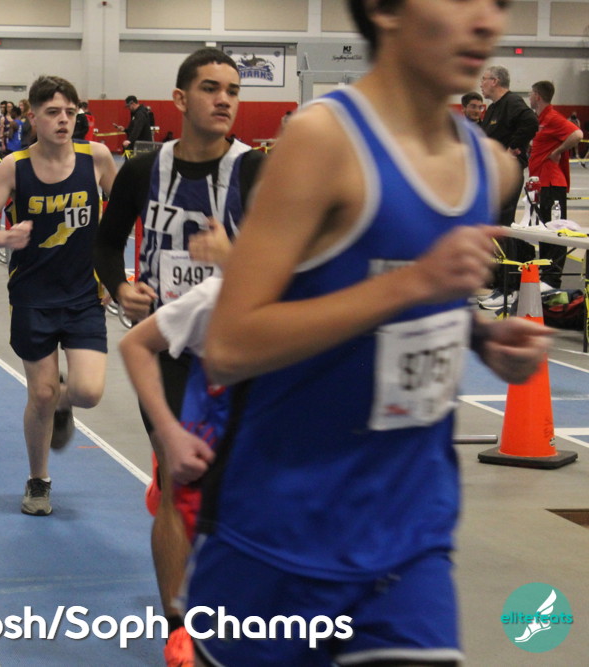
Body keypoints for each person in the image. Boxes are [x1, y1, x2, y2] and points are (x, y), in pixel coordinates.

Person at [187, 2, 554, 665]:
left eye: (498, 3)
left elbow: (406, 297)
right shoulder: (322, 142)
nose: (486, 21)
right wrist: (414, 284)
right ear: (384, 9)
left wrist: (476, 333)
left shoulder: (490, 166)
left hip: (410, 538)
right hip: (277, 538)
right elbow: (231, 345)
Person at [93, 47, 263, 667]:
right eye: (211, 88)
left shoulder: (255, 171)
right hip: (166, 347)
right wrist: (120, 288)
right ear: (180, 99)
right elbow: (106, 244)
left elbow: (289, 266)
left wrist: (234, 259)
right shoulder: (144, 170)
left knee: (235, 486)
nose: (224, 100)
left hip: (240, 351)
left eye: (233, 91)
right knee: (174, 479)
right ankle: (180, 624)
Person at [0, 75, 117, 517]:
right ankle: (38, 480)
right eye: (53, 112)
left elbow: (124, 215)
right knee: (42, 394)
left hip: (84, 294)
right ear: (33, 116)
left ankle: (65, 402)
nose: (64, 120)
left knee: (87, 392)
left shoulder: (97, 157)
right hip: (32, 296)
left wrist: (116, 276)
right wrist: (3, 237)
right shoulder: (14, 167)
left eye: (70, 111)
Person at [477, 63, 539, 307]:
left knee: (503, 227)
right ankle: (498, 284)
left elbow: (531, 122)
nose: (480, 84)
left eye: (484, 79)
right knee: (493, 227)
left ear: (495, 81)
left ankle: (509, 288)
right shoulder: (493, 108)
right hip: (492, 176)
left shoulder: (512, 103)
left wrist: (513, 148)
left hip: (507, 176)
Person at [528, 80, 583, 289]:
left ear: (537, 96)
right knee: (544, 230)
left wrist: (557, 151)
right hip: (542, 184)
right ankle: (546, 276)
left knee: (554, 230)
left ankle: (553, 279)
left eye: (531, 94)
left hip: (552, 183)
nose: (529, 97)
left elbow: (577, 134)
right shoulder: (541, 120)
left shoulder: (552, 117)